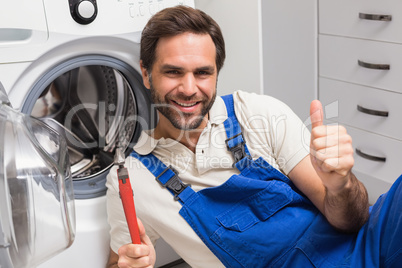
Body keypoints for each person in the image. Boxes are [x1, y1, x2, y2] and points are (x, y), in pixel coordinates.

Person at [106, 5, 402, 268]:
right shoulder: (132, 177)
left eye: (202, 73)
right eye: (173, 72)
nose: (188, 88)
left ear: (217, 73)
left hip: (367, 246)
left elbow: (352, 220)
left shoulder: (257, 113)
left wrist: (341, 185)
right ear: (146, 73)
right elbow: (120, 259)